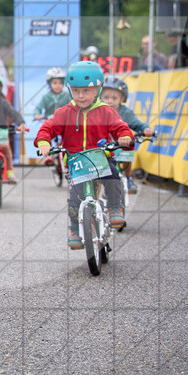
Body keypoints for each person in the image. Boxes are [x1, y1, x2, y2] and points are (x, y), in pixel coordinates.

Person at [36, 61, 134, 249]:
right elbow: (47, 128)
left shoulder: (106, 111)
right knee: (74, 197)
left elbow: (122, 128)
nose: (81, 96)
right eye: (76, 90)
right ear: (70, 89)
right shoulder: (64, 113)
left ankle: (115, 208)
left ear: (98, 89)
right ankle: (74, 228)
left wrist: (124, 137)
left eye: (86, 91)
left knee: (113, 176)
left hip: (101, 158)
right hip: (76, 161)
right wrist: (44, 142)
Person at [100, 75, 153, 194]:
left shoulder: (126, 113)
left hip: (120, 146)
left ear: (122, 98)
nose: (110, 101)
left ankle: (129, 177)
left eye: (114, 98)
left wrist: (146, 129)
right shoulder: (97, 111)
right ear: (100, 97)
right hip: (103, 147)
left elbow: (138, 124)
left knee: (128, 151)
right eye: (106, 97)